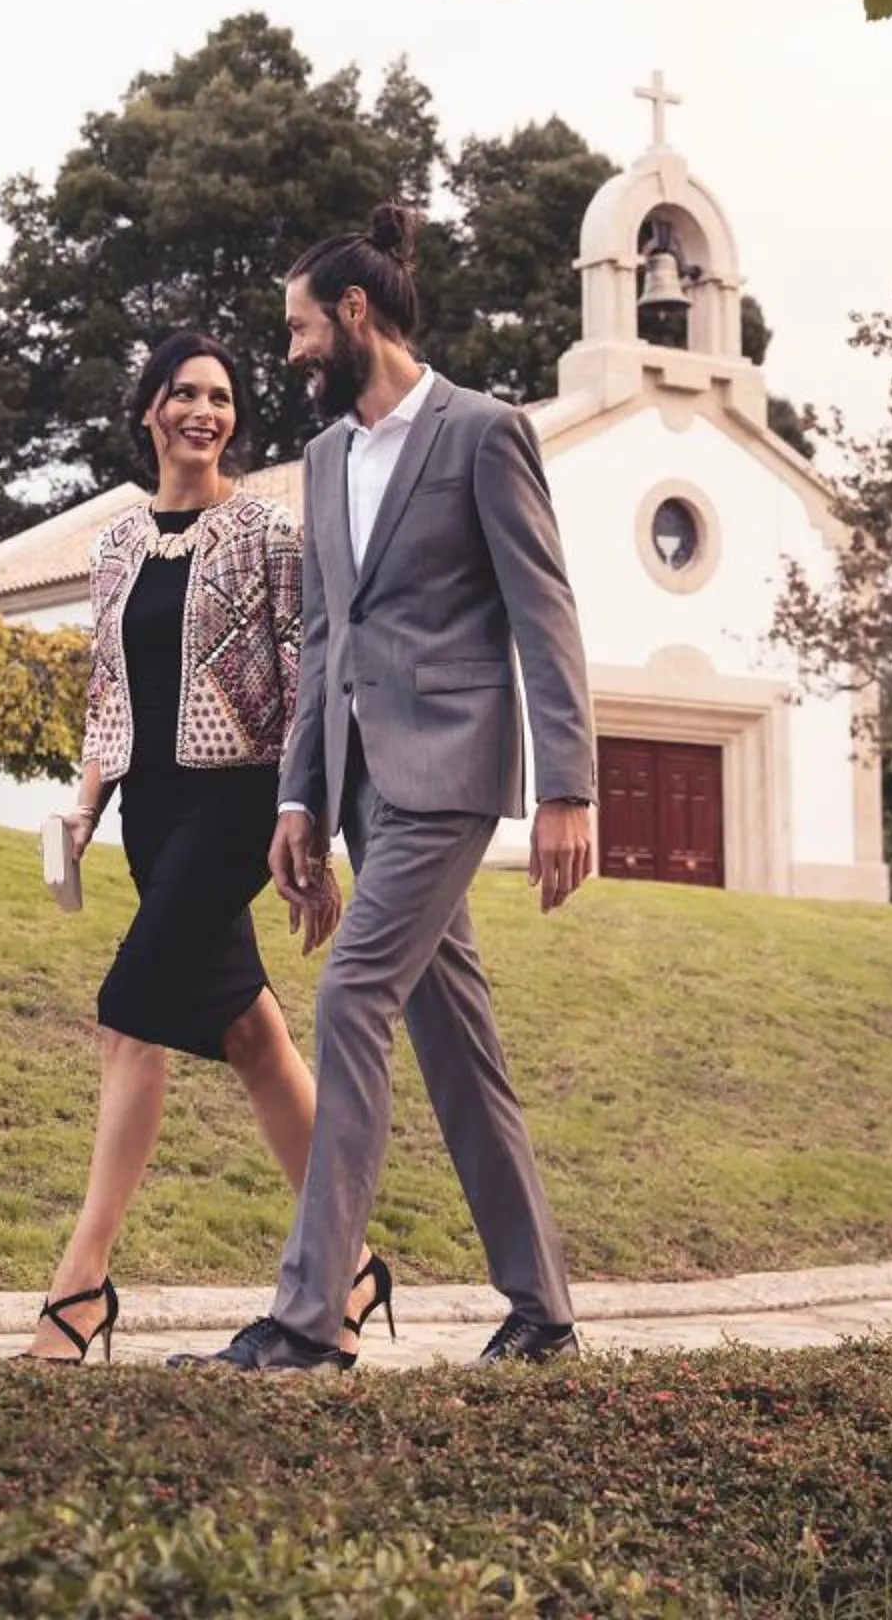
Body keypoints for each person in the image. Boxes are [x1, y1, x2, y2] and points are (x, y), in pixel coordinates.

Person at [179, 205, 595, 1374]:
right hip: (361, 782)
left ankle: (312, 1319)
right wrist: (299, 799)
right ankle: (545, 1310)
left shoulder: (482, 432)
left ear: (355, 316)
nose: (295, 350)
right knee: (458, 1044)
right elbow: (323, 636)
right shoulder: (322, 459)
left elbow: (542, 613)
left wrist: (569, 786)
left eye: (304, 328)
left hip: (452, 769)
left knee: (351, 992)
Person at [24, 330, 389, 1364]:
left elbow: (305, 680)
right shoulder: (113, 547)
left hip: (237, 805)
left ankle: (80, 1288)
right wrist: (89, 806)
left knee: (128, 1015)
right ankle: (353, 1264)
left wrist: (305, 819)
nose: (204, 410)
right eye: (183, 393)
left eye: (220, 397)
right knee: (250, 1038)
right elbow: (108, 692)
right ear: (148, 410)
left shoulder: (269, 532)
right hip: (150, 810)